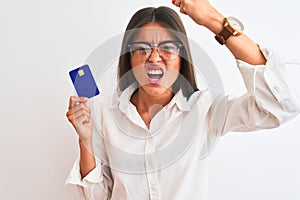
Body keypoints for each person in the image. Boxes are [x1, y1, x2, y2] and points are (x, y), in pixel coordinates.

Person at [65, 0, 299, 199]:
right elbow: (98, 196)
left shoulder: (204, 109)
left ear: (182, 57)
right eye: (142, 48)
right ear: (129, 57)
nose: (154, 58)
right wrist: (85, 140)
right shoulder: (105, 112)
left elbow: (280, 105)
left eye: (167, 48)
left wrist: (213, 19)